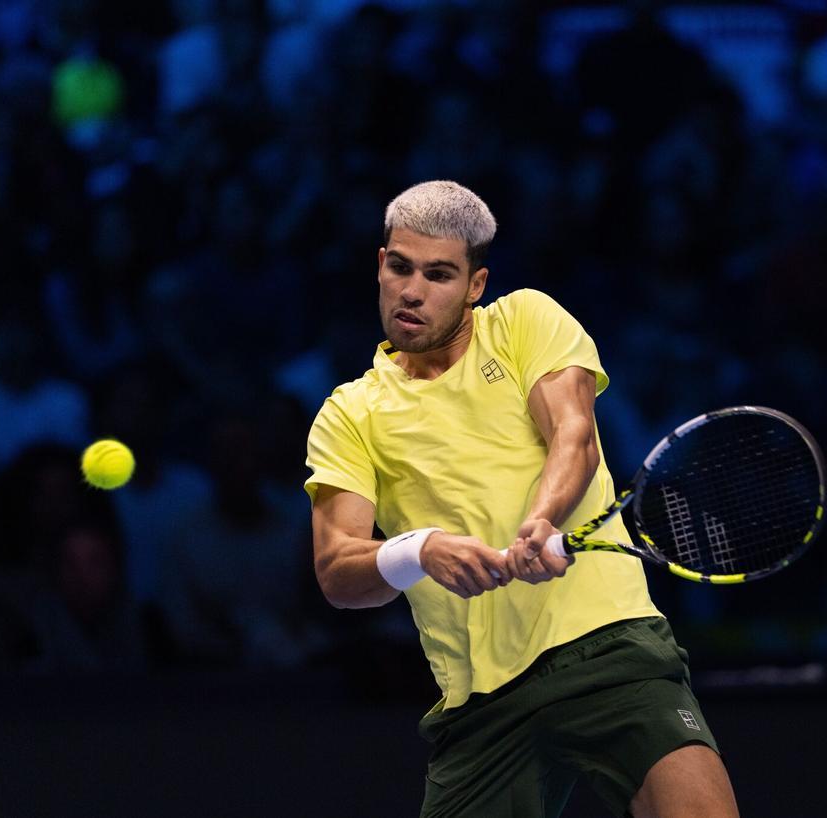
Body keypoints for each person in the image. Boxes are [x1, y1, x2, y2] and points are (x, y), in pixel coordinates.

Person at [305, 180, 739, 817]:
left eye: (439, 274)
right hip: (483, 705)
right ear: (380, 264)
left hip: (607, 647)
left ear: (475, 285)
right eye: (399, 267)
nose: (412, 291)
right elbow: (338, 571)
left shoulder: (524, 320)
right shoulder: (350, 413)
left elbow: (573, 433)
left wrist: (540, 521)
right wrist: (420, 550)